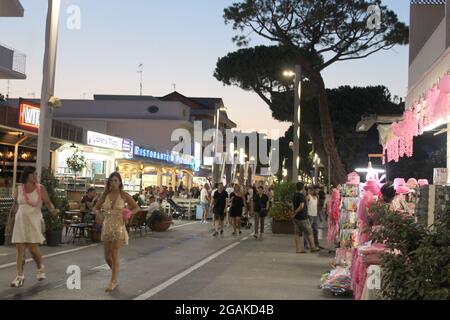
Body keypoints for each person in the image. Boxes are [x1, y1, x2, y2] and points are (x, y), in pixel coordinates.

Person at [10, 166, 59, 288]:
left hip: (34, 220)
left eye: (36, 175)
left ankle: (40, 267)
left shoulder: (40, 188)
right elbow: (15, 205)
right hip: (20, 220)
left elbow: (48, 203)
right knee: (20, 248)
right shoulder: (19, 188)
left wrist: (53, 210)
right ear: (27, 175)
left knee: (32, 249)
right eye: (34, 175)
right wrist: (8, 223)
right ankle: (19, 276)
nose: (36, 177)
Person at [94, 172, 140, 292]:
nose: (113, 183)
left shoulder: (124, 195)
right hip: (107, 225)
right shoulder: (105, 195)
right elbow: (96, 208)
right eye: (111, 181)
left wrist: (128, 214)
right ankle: (115, 272)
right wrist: (98, 213)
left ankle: (113, 281)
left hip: (119, 226)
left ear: (119, 183)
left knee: (114, 253)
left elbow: (136, 207)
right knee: (107, 257)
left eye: (115, 181)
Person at [292, 182, 320, 254]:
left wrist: (294, 213)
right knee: (309, 232)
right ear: (303, 188)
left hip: (296, 218)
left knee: (297, 233)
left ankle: (298, 249)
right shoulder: (301, 195)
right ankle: (312, 247)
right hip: (302, 217)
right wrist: (296, 212)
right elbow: (301, 206)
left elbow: (293, 205)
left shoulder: (294, 195)